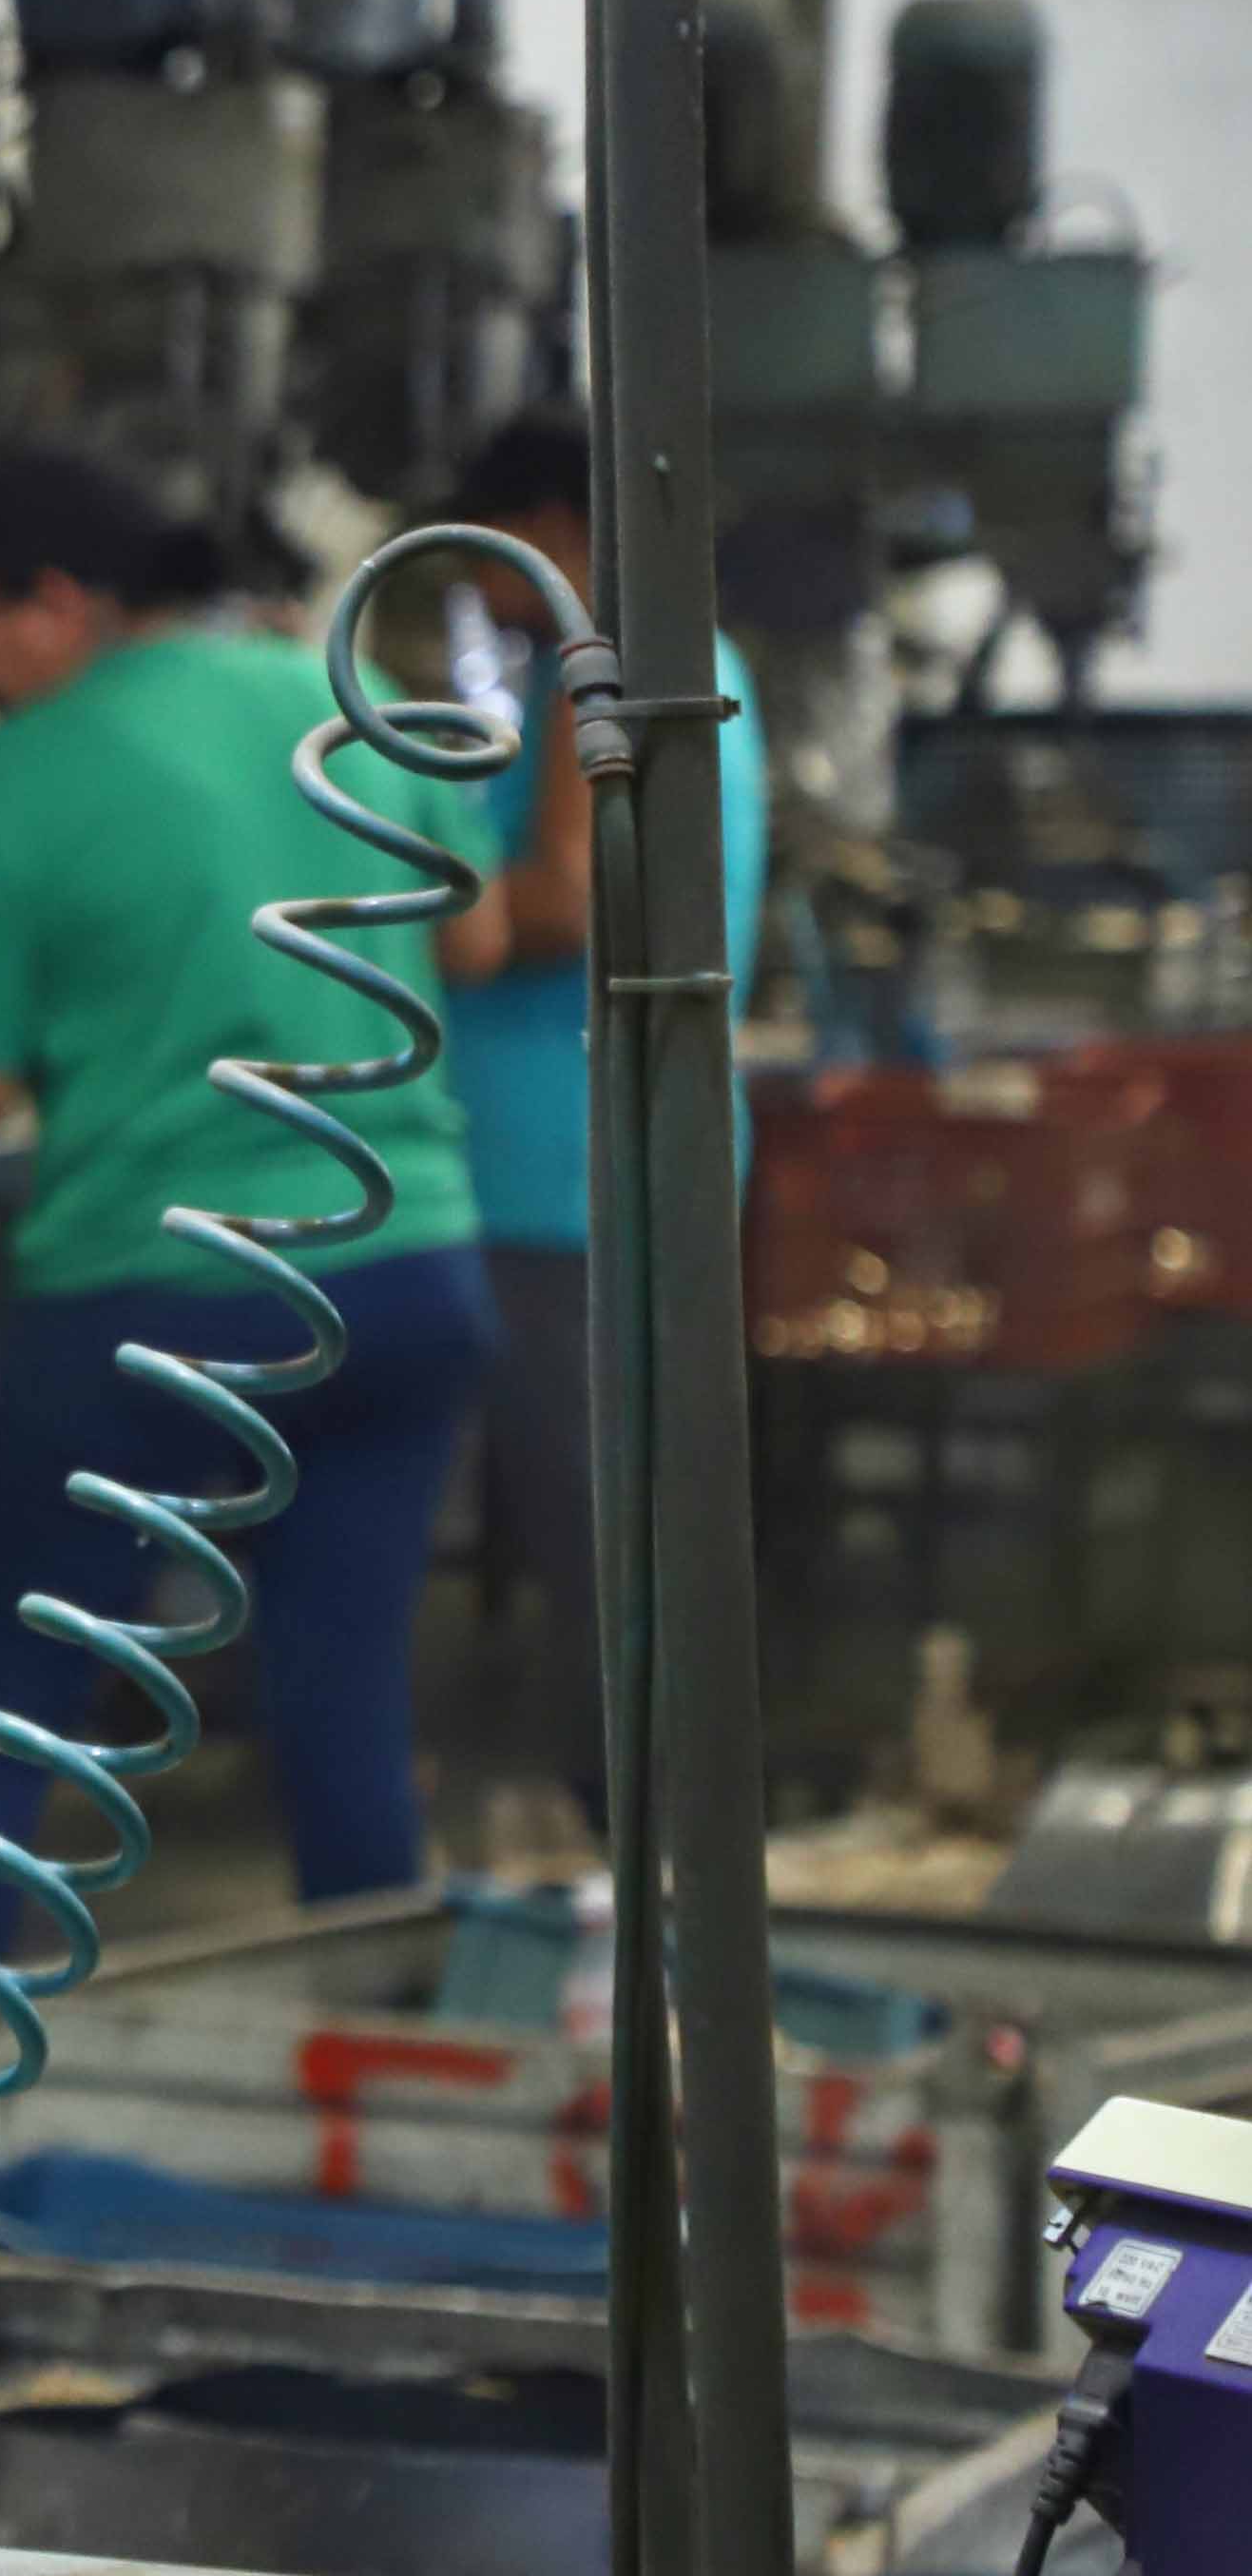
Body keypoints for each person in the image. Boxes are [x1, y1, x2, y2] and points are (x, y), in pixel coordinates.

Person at [0, 447, 503, 1976]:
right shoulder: (331, 698)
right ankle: (392, 2084)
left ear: (60, 602)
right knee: (343, 1698)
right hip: (407, 1275)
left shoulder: (25, 771)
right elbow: (475, 940)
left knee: (10, 1703)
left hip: (155, 1302)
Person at [436, 407, 774, 1817]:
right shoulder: (703, 657)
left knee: (599, 1522)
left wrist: (427, 885)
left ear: (553, 529)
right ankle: (644, 1803)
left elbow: (566, 901)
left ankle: (628, 1818)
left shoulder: (596, 673)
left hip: (545, 1165)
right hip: (650, 1136)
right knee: (634, 1503)